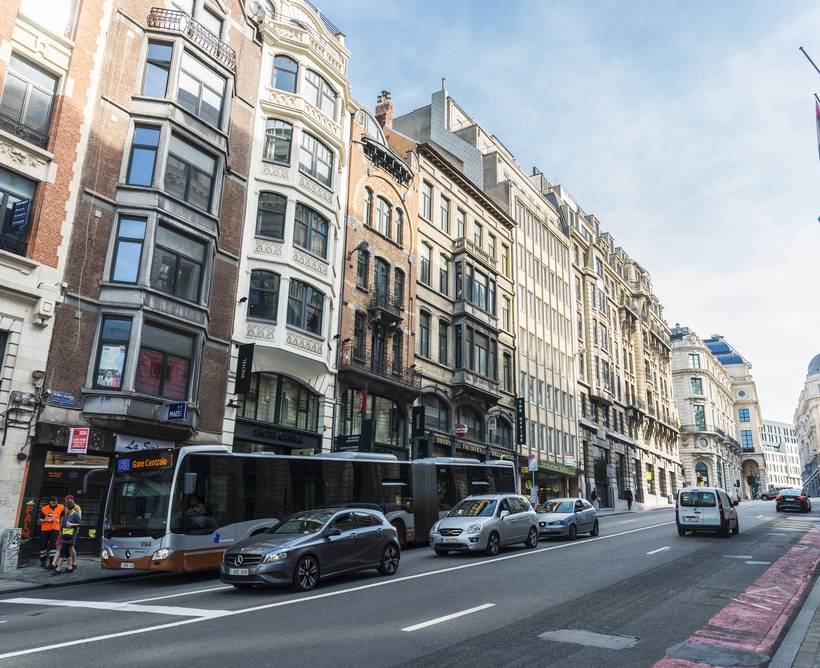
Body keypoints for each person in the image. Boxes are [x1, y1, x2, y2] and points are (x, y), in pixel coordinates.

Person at [37, 497, 64, 569]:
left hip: (55, 529)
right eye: (52, 502)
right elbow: (40, 520)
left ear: (57, 501)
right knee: (43, 545)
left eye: (55, 501)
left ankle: (52, 562)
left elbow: (62, 517)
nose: (54, 503)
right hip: (45, 529)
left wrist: (61, 527)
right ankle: (43, 561)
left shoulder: (61, 507)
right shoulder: (45, 508)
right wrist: (46, 521)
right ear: (49, 502)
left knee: (53, 545)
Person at [53, 504, 81, 574]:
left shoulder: (76, 515)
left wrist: (72, 525)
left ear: (70, 509)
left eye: (66, 508)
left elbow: (80, 523)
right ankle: (70, 567)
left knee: (63, 551)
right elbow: (64, 524)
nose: (65, 509)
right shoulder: (66, 514)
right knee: (66, 552)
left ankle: (58, 569)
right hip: (65, 535)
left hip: (71, 536)